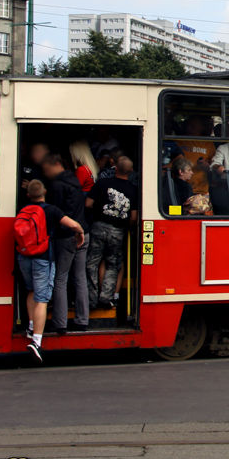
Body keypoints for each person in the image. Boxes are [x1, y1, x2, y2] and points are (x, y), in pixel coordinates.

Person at [18, 180, 85, 364]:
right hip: (42, 258)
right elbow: (73, 224)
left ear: (28, 195)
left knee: (31, 291)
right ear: (45, 192)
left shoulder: (23, 210)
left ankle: (31, 326)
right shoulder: (51, 210)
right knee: (42, 298)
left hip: (24, 257)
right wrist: (80, 232)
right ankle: (37, 341)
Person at [42, 154, 90, 333]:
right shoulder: (74, 180)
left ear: (56, 165)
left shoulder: (56, 185)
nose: (46, 174)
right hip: (83, 232)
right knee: (80, 277)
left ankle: (60, 323)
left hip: (66, 236)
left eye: (47, 170)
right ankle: (82, 320)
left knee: (60, 278)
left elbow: (56, 214)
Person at [86, 156, 139, 310]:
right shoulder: (133, 190)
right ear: (131, 171)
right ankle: (106, 297)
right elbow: (133, 217)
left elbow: (88, 203)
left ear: (115, 168)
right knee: (112, 264)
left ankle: (91, 299)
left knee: (92, 263)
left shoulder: (102, 183)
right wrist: (128, 227)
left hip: (98, 227)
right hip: (118, 231)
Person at [177, 116, 216, 196]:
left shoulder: (208, 144)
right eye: (187, 125)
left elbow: (214, 169)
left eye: (192, 126)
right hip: (180, 187)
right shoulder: (178, 140)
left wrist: (206, 166)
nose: (188, 129)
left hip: (201, 191)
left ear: (201, 128)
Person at [20, 142, 50, 208]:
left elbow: (46, 189)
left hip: (37, 204)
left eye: (22, 150)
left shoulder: (45, 168)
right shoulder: (18, 164)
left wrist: (31, 187)